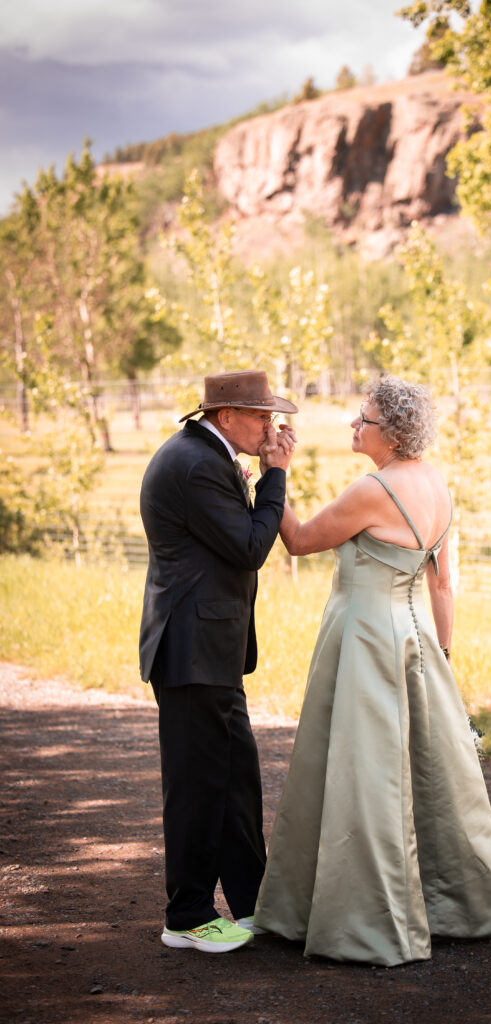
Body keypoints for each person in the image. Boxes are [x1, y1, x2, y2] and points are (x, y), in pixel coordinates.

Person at [254, 376, 491, 966]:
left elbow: (296, 540)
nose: (353, 425)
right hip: (415, 635)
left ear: (391, 433)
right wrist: (441, 657)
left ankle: (368, 922)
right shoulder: (437, 484)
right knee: (425, 776)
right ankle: (452, 909)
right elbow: (442, 583)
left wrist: (273, 478)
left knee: (363, 777)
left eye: (362, 419)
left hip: (366, 638)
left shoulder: (373, 489)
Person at [139, 370, 297, 954]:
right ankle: (187, 917)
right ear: (226, 415)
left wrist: (264, 474)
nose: (272, 427)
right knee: (198, 786)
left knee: (235, 780)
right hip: (190, 649)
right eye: (262, 417)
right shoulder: (198, 463)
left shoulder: (207, 453)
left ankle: (256, 905)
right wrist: (275, 477)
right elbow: (251, 547)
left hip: (211, 650)